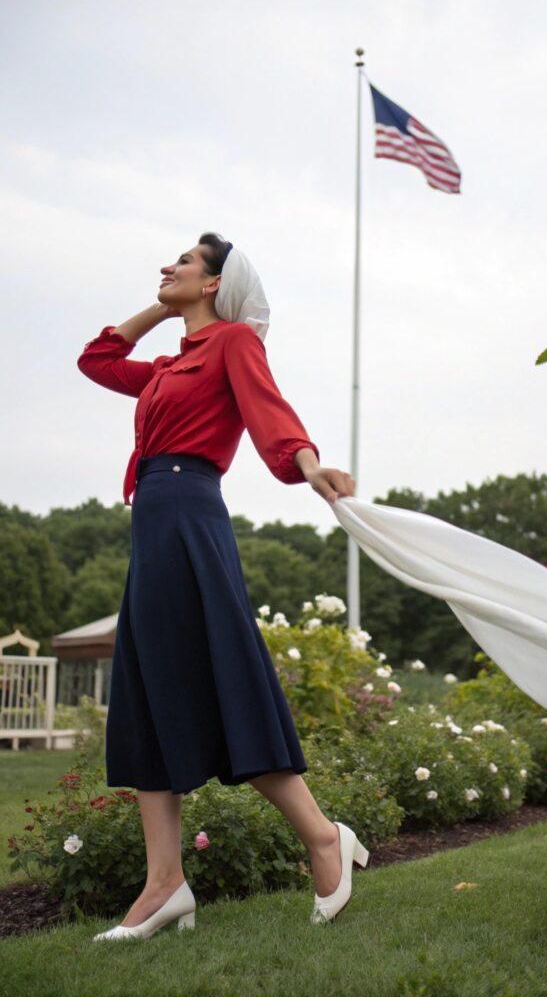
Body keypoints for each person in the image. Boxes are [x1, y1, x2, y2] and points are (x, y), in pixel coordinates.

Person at [77, 232, 368, 941]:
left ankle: (323, 837)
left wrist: (308, 467)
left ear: (214, 283)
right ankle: (164, 883)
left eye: (183, 262)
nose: (167, 267)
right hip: (154, 521)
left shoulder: (233, 343)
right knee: (146, 689)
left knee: (223, 677)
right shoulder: (170, 364)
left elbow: (270, 412)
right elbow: (96, 360)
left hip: (189, 516)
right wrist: (157, 308)